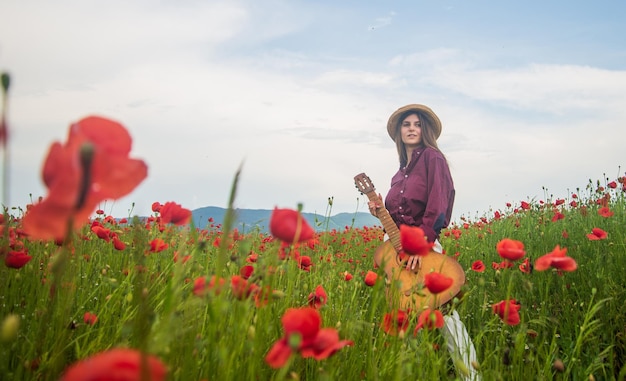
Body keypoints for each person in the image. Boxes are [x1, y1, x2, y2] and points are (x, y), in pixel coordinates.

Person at [368, 104, 480, 381]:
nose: (412, 128)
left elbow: (438, 203)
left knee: (444, 314)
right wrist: (380, 211)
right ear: (398, 132)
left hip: (424, 247)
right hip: (396, 250)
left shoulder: (433, 159)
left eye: (417, 124)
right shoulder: (399, 174)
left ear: (425, 130)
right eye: (406, 124)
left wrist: (422, 244)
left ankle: (472, 377)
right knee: (401, 315)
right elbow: (397, 217)